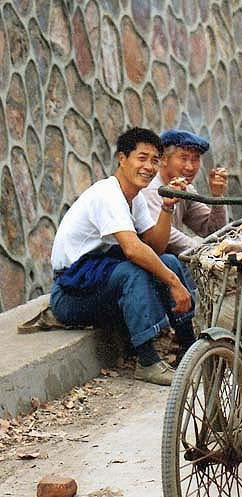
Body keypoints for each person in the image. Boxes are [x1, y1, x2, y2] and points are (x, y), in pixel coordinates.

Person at [49, 127, 195, 386]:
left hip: (97, 280)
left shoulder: (134, 198)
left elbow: (156, 247)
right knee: (134, 271)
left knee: (169, 262)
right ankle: (148, 362)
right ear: (122, 159)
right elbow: (132, 249)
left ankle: (189, 346)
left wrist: (166, 208)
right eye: (142, 158)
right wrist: (174, 283)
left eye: (154, 160)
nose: (149, 167)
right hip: (70, 294)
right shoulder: (107, 194)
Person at [141, 129, 229, 257]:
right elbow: (165, 236)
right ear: (164, 159)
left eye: (195, 159)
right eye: (184, 158)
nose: (190, 167)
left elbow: (213, 231)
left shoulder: (186, 189)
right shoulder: (152, 189)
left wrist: (217, 196)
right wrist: (200, 249)